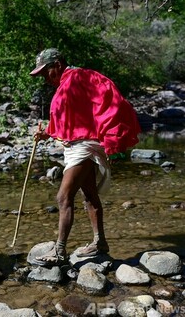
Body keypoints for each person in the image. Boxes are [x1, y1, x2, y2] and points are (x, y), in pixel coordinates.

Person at [29, 48, 140, 266]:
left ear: (58, 65)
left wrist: (111, 137)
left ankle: (59, 251)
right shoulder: (66, 84)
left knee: (63, 197)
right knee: (89, 195)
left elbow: (110, 103)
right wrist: (47, 133)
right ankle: (100, 243)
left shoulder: (82, 77)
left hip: (85, 146)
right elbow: (72, 117)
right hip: (76, 146)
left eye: (45, 72)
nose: (44, 78)